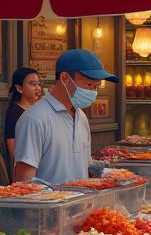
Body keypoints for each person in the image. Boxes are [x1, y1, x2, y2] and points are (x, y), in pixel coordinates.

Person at [14, 49, 116, 186]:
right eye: (89, 85)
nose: (93, 92)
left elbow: (84, 166)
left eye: (96, 86)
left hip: (81, 204)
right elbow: (23, 182)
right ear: (64, 78)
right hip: (48, 206)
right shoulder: (34, 119)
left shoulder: (81, 117)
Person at [6, 66, 42, 172]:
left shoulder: (39, 108)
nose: (38, 88)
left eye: (39, 84)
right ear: (19, 88)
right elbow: (14, 151)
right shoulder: (15, 113)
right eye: (32, 84)